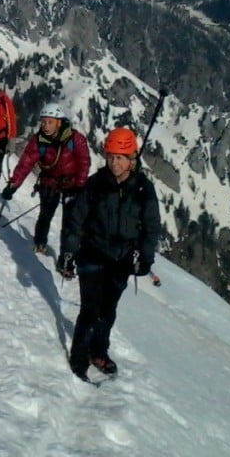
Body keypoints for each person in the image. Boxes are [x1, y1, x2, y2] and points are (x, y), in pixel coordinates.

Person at [56, 127, 162, 380]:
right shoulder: (96, 184)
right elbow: (76, 219)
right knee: (90, 309)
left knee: (108, 309)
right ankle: (79, 359)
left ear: (131, 159)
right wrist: (68, 252)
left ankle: (99, 351)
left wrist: (146, 257)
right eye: (111, 156)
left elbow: (151, 225)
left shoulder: (142, 189)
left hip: (122, 258)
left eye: (120, 157)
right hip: (92, 253)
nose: (114, 163)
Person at [0, 101, 90, 254]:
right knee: (45, 216)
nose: (46, 126)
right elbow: (26, 163)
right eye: (44, 122)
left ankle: (66, 256)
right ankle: (40, 243)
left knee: (70, 222)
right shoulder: (38, 140)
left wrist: (80, 186)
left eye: (50, 122)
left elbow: (84, 162)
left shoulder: (75, 139)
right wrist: (13, 185)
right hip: (50, 182)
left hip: (72, 184)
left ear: (59, 122)